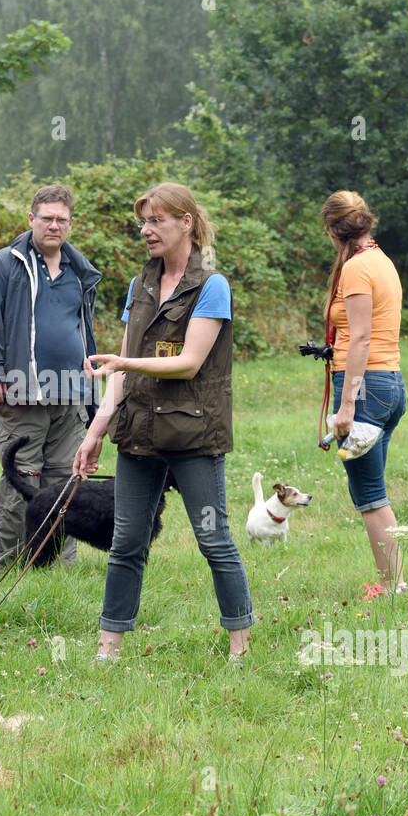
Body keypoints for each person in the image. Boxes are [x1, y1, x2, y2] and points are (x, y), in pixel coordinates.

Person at [74, 183, 254, 661]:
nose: (146, 231)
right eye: (144, 222)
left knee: (213, 539)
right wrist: (95, 433)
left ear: (185, 222)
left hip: (194, 434)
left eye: (156, 220)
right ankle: (108, 649)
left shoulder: (212, 286)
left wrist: (125, 364)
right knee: (126, 543)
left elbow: (189, 362)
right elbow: (121, 367)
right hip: (138, 434)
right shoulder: (140, 286)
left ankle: (240, 645)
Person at [0, 184, 102, 571]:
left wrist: (93, 393)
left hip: (70, 394)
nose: (53, 225)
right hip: (21, 390)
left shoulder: (78, 270)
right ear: (31, 219)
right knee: (19, 481)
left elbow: (85, 330)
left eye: (61, 219)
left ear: (71, 224)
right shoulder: (5, 263)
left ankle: (55, 569)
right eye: (46, 218)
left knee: (65, 486)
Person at [321, 190, 408, 595]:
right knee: (376, 490)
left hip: (366, 388)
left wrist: (347, 404)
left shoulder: (357, 269)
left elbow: (359, 340)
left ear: (332, 229)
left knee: (370, 496)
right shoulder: (382, 261)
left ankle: (393, 585)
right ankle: (393, 581)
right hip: (390, 384)